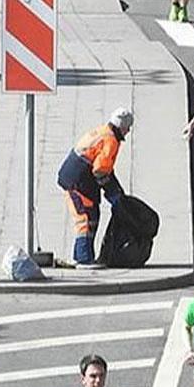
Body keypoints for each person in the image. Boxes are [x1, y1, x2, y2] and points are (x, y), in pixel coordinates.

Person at [59, 109, 134, 268]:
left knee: (91, 215)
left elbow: (105, 167)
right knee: (85, 219)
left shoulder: (103, 132)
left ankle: (82, 256)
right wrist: (113, 194)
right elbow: (100, 170)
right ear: (122, 127)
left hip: (76, 178)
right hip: (78, 182)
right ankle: (83, 259)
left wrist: (116, 191)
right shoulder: (111, 141)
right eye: (128, 128)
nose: (128, 131)